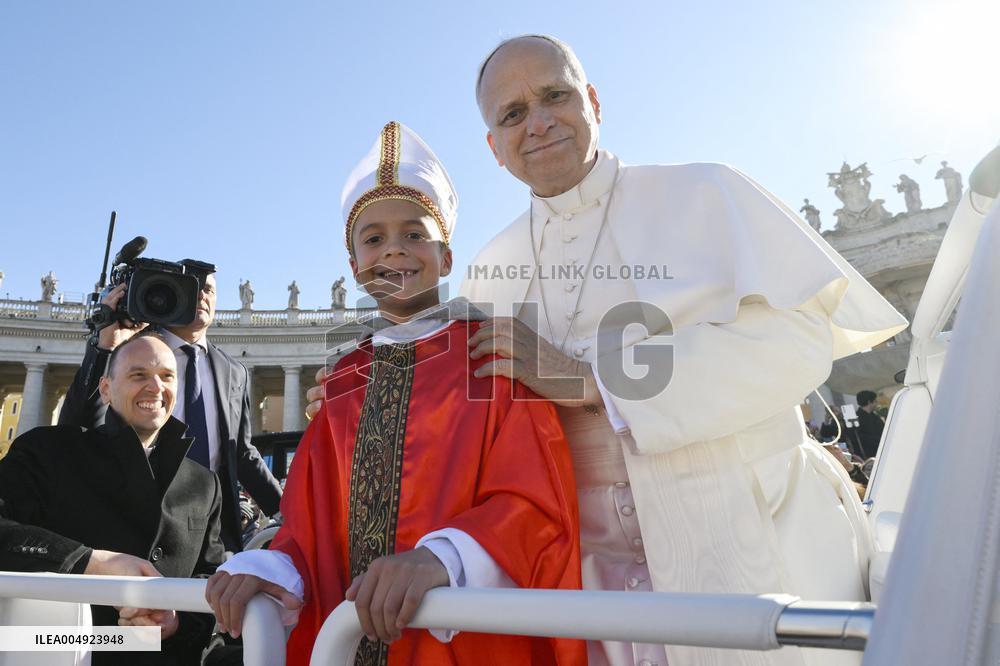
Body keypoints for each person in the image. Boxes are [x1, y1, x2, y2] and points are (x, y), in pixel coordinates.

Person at [456, 35, 907, 666]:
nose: (538, 121)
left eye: (554, 95)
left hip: (751, 536)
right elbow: (470, 429)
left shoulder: (705, 192)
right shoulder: (486, 270)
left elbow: (799, 342)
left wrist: (596, 380)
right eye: (512, 113)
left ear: (591, 101)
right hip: (584, 575)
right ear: (494, 149)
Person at [206, 121, 584, 666]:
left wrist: (441, 558)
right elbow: (307, 522)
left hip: (460, 642)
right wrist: (266, 566)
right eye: (374, 239)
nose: (395, 252)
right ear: (354, 265)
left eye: (414, 233)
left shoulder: (495, 357)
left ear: (447, 258)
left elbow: (534, 501)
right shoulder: (340, 381)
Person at [0, 333, 225, 665]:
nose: (155, 387)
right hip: (61, 650)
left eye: (166, 376)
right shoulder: (48, 451)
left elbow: (210, 578)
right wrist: (90, 562)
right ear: (105, 389)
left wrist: (175, 621)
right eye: (138, 375)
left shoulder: (205, 483)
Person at [59, 263, 282, 553]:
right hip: (136, 530)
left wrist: (286, 511)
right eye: (193, 288)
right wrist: (103, 348)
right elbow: (77, 428)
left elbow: (239, 451)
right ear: (171, 293)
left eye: (209, 290)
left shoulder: (234, 370)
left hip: (213, 536)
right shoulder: (131, 351)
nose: (202, 295)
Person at [855, 390, 885, 459]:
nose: (877, 403)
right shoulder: (857, 419)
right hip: (871, 455)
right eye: (875, 401)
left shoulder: (874, 415)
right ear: (869, 402)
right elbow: (861, 437)